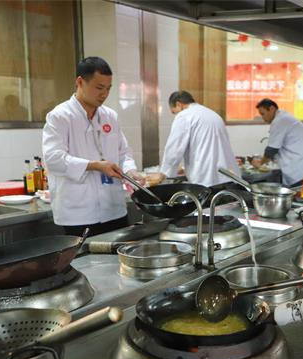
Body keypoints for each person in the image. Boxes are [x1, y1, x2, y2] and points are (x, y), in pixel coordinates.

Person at [43, 57, 144, 236]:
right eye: (99, 88)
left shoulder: (110, 116)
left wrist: (131, 172)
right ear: (80, 82)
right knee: (86, 255)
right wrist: (95, 165)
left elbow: (123, 153)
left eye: (108, 88)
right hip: (79, 214)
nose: (104, 94)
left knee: (119, 253)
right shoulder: (60, 116)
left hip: (114, 209)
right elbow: (53, 159)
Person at [159, 91, 240, 187]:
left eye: (174, 112)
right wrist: (184, 168)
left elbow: (174, 149)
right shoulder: (212, 114)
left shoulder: (184, 116)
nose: (175, 115)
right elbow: (208, 148)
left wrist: (164, 173)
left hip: (206, 179)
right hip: (227, 176)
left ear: (179, 104)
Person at [252, 99, 303, 187]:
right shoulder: (284, 116)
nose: (263, 118)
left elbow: (271, 150)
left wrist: (260, 163)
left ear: (271, 109)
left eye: (263, 114)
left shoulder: (279, 121)